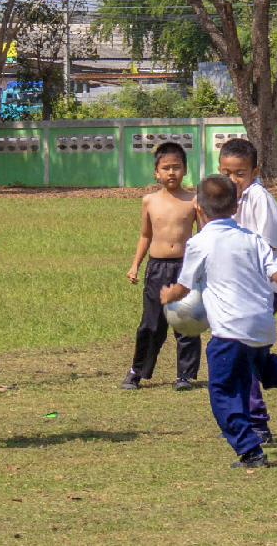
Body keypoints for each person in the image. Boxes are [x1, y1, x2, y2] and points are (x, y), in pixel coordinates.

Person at [159, 175, 277, 469]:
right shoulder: (252, 239)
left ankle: (250, 451)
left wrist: (168, 294)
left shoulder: (199, 242)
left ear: (197, 206)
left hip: (228, 331)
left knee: (224, 391)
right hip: (262, 325)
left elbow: (185, 287)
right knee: (263, 365)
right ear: (236, 205)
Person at [218, 137, 277, 438]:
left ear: (255, 172)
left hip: (261, 291)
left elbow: (265, 251)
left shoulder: (260, 200)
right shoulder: (226, 201)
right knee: (245, 358)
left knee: (243, 357)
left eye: (240, 174)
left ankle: (256, 423)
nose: (233, 180)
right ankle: (250, 418)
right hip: (239, 292)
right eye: (226, 173)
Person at [123, 141, 203, 391]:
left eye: (176, 167)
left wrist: (203, 268)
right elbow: (145, 236)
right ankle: (137, 371)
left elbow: (203, 235)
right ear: (156, 172)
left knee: (186, 320)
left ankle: (185, 375)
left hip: (184, 268)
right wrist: (135, 265)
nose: (171, 173)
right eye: (165, 168)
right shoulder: (149, 201)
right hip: (156, 268)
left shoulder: (194, 200)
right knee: (151, 323)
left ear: (186, 170)